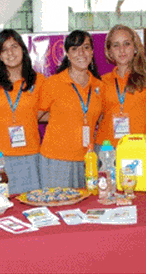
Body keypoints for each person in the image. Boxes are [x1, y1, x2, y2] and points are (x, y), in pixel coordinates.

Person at [0, 29, 45, 195]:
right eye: (4, 49)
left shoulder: (39, 81)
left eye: (14, 46)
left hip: (29, 155)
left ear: (23, 49)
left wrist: (27, 118)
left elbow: (47, 111)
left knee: (31, 204)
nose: (10, 53)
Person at [39, 30, 103, 189]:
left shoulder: (99, 86)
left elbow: (100, 118)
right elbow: (36, 115)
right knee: (59, 202)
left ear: (92, 52)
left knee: (88, 202)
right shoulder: (53, 83)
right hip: (57, 160)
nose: (81, 53)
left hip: (88, 158)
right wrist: (60, 116)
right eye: (75, 48)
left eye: (86, 47)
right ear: (67, 54)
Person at [95, 24, 146, 150]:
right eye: (116, 45)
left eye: (127, 44)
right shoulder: (101, 82)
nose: (122, 50)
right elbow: (98, 116)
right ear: (109, 52)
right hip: (106, 148)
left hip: (137, 146)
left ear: (135, 47)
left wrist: (136, 125)